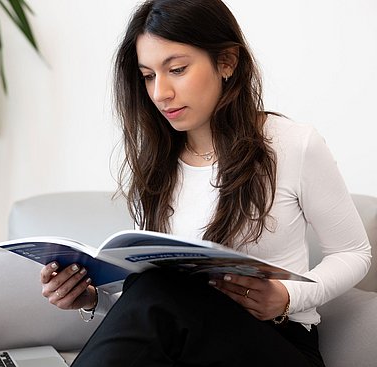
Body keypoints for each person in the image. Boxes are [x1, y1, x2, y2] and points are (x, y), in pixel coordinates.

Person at [40, 0, 371, 366]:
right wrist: (91, 298)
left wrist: (287, 296)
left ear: (227, 61)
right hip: (191, 348)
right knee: (152, 284)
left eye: (177, 69)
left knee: (157, 287)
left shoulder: (293, 144)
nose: (159, 93)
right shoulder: (157, 164)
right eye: (148, 75)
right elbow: (160, 311)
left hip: (277, 343)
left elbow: (354, 253)